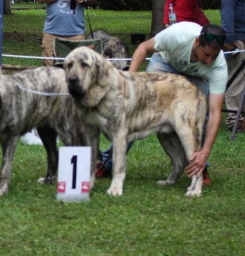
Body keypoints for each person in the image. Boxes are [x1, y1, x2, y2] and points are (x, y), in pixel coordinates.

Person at [96, 22, 229, 185]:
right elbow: (143, 47)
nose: (209, 61)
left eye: (214, 57)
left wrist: (206, 151)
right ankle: (107, 163)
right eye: (206, 54)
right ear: (196, 43)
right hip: (165, 64)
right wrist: (128, 81)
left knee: (196, 119)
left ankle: (200, 165)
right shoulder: (178, 35)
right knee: (135, 109)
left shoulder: (218, 67)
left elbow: (215, 113)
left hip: (197, 77)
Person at [221, 0, 245, 132]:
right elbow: (227, 8)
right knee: (236, 82)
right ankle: (234, 121)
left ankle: (241, 119)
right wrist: (229, 40)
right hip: (237, 38)